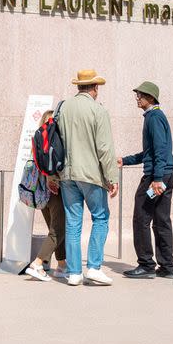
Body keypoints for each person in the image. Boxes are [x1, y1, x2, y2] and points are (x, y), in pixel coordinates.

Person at [56, 68, 120, 287]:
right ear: (95, 88)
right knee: (100, 218)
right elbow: (104, 149)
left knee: (73, 222)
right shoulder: (97, 111)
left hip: (66, 174)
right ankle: (93, 267)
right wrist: (112, 177)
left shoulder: (63, 108)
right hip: (91, 175)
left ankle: (74, 273)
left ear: (78, 87)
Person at [119, 81, 173, 280]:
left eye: (140, 95)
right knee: (161, 220)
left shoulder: (154, 117)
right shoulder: (155, 117)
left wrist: (157, 178)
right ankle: (167, 267)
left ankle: (146, 264)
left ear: (150, 98)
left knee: (141, 218)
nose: (137, 98)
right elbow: (150, 152)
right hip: (164, 174)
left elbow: (161, 150)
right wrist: (125, 160)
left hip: (156, 177)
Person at [24, 110, 67, 282]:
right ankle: (38, 263)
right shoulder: (52, 140)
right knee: (58, 229)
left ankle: (62, 265)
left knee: (55, 230)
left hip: (41, 192)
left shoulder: (36, 140)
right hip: (55, 189)